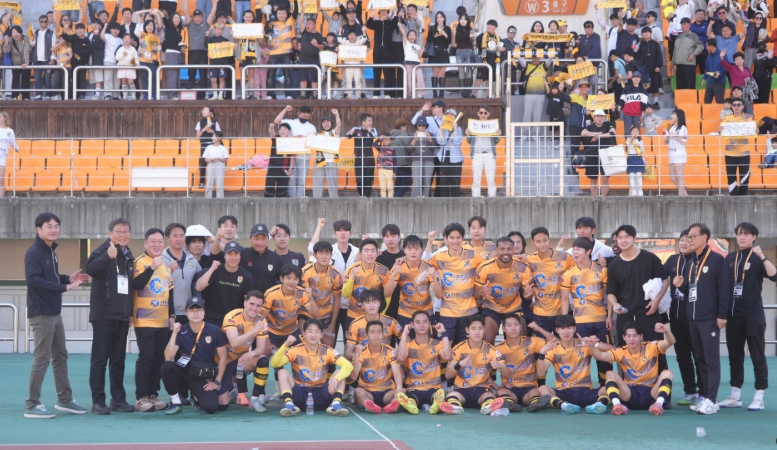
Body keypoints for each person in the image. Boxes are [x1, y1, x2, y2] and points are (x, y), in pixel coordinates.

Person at [24, 213, 89, 419]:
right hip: (41, 313)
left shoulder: (51, 251)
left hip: (54, 312)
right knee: (41, 359)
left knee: (60, 356)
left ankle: (64, 399)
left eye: (56, 226)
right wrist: (65, 286)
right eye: (49, 226)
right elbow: (34, 280)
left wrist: (68, 278)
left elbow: (50, 277)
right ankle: (32, 404)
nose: (54, 229)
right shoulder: (34, 252)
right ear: (38, 229)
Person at [720, 222, 775, 411]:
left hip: (753, 316)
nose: (742, 237)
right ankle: (735, 395)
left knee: (757, 355)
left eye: (746, 234)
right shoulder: (730, 257)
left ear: (754, 237)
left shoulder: (759, 258)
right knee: (734, 356)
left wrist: (762, 255)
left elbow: (774, 276)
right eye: (739, 234)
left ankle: (759, 396)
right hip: (733, 316)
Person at [86, 218, 136, 415]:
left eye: (126, 231)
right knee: (99, 360)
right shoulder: (101, 251)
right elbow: (92, 270)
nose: (123, 235)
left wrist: (130, 312)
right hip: (103, 315)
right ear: (109, 233)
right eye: (118, 231)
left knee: (118, 360)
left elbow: (129, 287)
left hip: (122, 316)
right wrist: (106, 256)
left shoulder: (128, 255)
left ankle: (118, 400)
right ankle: (98, 401)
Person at [680, 223, 729, 415]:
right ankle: (705, 397)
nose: (689, 240)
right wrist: (680, 285)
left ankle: (712, 399)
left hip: (709, 318)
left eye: (693, 236)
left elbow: (724, 290)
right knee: (699, 358)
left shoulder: (717, 260)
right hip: (692, 317)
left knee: (710, 359)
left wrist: (722, 315)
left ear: (705, 237)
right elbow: (690, 290)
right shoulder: (692, 262)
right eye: (688, 237)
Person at [586, 321, 675, 415]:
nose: (632, 339)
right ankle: (617, 405)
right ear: (624, 337)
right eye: (628, 336)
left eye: (635, 336)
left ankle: (658, 404)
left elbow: (671, 342)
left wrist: (666, 331)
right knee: (609, 374)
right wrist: (592, 346)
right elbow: (599, 356)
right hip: (630, 395)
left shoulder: (652, 347)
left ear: (641, 336)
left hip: (651, 394)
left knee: (667, 373)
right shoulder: (620, 352)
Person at [271, 319, 354, 417]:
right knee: (282, 372)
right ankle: (289, 405)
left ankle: (335, 404)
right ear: (304, 334)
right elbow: (274, 363)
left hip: (321, 396)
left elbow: (348, 366)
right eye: (310, 331)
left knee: (339, 373)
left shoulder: (327, 351)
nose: (313, 335)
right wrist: (285, 345)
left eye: (317, 331)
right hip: (299, 395)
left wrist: (336, 379)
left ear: (321, 335)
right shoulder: (295, 350)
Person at [161, 297, 229, 415]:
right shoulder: (181, 331)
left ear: (204, 312)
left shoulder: (214, 330)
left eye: (198, 309)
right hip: (184, 372)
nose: (195, 313)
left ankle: (197, 397)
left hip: (203, 375)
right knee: (166, 367)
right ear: (186, 313)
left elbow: (223, 358)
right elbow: (168, 357)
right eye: (192, 310)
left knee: (211, 407)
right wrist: (174, 333)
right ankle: (176, 401)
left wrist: (217, 382)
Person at [560, 237, 613, 387]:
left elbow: (609, 295)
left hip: (601, 321)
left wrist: (609, 316)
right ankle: (580, 387)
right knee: (580, 357)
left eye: (578, 249)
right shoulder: (568, 274)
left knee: (604, 357)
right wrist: (565, 322)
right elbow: (564, 300)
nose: (575, 252)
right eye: (574, 249)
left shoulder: (601, 270)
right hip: (580, 323)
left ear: (588, 251)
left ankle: (606, 387)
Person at [132, 228, 172, 413]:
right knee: (146, 358)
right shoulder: (140, 262)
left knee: (158, 359)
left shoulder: (165, 264)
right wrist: (152, 268)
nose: (157, 245)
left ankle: (152, 396)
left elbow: (168, 292)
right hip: (144, 320)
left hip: (162, 321)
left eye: (160, 241)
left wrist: (171, 316)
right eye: (153, 241)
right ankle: (141, 398)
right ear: (145, 244)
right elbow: (137, 284)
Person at [536, 315, 610, 414]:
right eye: (562, 328)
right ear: (557, 330)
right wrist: (541, 353)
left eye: (569, 328)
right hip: (564, 392)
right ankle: (563, 405)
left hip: (585, 391)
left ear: (575, 328)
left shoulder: (584, 344)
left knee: (609, 388)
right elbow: (540, 373)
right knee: (542, 389)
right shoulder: (553, 349)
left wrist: (594, 345)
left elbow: (613, 350)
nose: (566, 332)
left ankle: (599, 405)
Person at [427, 223, 486, 345]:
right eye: (452, 238)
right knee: (445, 351)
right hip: (447, 313)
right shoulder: (438, 257)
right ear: (446, 238)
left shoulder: (473, 255)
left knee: (467, 350)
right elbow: (422, 266)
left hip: (469, 314)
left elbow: (491, 265)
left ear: (463, 238)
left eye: (458, 237)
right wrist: (401, 261)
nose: (455, 241)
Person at [438, 315, 509, 415]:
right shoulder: (459, 348)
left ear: (484, 329)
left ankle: (487, 406)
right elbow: (448, 375)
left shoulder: (491, 349)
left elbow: (507, 375)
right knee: (452, 395)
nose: (477, 332)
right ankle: (455, 407)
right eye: (473, 329)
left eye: (480, 328)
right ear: (467, 330)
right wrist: (459, 364)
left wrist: (500, 366)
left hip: (482, 390)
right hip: (462, 390)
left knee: (489, 396)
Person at [665, 230, 705, 406]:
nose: (684, 243)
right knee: (682, 355)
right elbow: (655, 274)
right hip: (676, 316)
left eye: (688, 240)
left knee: (699, 355)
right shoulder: (672, 260)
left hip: (695, 317)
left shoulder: (699, 261)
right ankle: (690, 391)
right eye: (681, 240)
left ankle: (704, 392)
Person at [309, 218, 360, 350]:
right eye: (339, 230)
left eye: (346, 230)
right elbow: (311, 248)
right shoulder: (327, 251)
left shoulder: (358, 252)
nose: (342, 233)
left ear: (350, 233)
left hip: (352, 305)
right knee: (329, 343)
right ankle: (329, 370)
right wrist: (319, 227)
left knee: (350, 344)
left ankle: (351, 370)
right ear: (334, 233)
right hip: (333, 305)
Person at [475, 237, 533, 345]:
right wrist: (481, 293)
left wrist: (529, 294)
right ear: (496, 250)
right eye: (502, 249)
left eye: (509, 249)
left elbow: (528, 296)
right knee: (486, 342)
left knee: (521, 342)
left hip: (513, 308)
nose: (505, 252)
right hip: (491, 308)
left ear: (513, 250)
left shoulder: (523, 267)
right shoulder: (485, 267)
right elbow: (476, 295)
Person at [493, 314, 554, 412]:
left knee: (536, 392)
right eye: (509, 325)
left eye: (516, 325)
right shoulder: (497, 349)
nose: (513, 328)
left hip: (529, 387)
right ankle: (511, 405)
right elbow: (485, 372)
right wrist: (497, 387)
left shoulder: (532, 342)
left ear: (521, 326)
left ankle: (535, 404)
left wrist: (540, 329)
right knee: (501, 392)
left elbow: (557, 342)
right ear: (503, 329)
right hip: (510, 388)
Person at [223, 292, 270, 412]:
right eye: (251, 304)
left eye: (258, 306)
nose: (254, 308)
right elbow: (234, 343)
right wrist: (254, 330)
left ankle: (256, 398)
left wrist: (251, 353)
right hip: (223, 362)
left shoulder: (261, 321)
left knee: (263, 359)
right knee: (220, 405)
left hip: (242, 360)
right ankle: (233, 391)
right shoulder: (232, 316)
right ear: (245, 303)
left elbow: (261, 348)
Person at [395, 311, 450, 414]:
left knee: (436, 395)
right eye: (418, 322)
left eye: (425, 322)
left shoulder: (437, 343)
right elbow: (400, 358)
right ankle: (410, 405)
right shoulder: (408, 345)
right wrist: (404, 334)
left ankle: (436, 404)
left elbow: (447, 356)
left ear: (429, 324)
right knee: (412, 398)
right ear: (412, 325)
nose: (421, 325)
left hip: (434, 387)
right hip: (414, 388)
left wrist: (444, 333)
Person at [526, 227, 575, 338]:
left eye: (545, 240)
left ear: (549, 240)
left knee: (562, 348)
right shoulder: (529, 260)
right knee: (540, 349)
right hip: (540, 313)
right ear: (533, 242)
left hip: (561, 312)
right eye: (538, 241)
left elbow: (577, 275)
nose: (542, 244)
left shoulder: (565, 257)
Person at [195, 241, 255, 326]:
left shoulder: (246, 276)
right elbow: (198, 287)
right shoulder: (215, 270)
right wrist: (212, 269)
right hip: (212, 319)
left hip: (233, 320)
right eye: (230, 254)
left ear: (240, 256)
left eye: (236, 254)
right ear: (224, 256)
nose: (233, 257)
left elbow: (248, 302)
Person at [349, 321, 403, 413]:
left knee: (403, 391)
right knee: (358, 391)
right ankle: (369, 405)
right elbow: (354, 376)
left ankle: (393, 403)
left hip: (387, 392)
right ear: (367, 334)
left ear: (383, 334)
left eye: (379, 332)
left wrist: (399, 389)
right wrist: (357, 355)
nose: (376, 335)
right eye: (372, 332)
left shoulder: (390, 351)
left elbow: (397, 372)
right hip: (368, 392)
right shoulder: (361, 352)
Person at [301, 241, 344, 347]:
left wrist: (333, 324)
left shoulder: (336, 274)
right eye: (321, 253)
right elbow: (305, 297)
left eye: (327, 253)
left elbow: (337, 299)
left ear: (331, 255)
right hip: (307, 313)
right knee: (305, 346)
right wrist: (311, 287)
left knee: (329, 346)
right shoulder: (305, 272)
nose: (324, 257)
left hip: (326, 314)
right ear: (314, 255)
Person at [342, 239, 391, 326]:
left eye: (373, 250)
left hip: (374, 316)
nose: (369, 254)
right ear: (360, 253)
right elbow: (345, 294)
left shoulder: (384, 271)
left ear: (377, 253)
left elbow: (387, 295)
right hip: (354, 315)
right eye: (366, 250)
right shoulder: (351, 269)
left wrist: (382, 313)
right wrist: (352, 277)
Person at [162, 223, 202, 326]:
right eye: (175, 236)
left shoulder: (192, 260)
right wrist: (168, 271)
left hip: (189, 312)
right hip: (167, 313)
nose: (179, 239)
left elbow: (200, 283)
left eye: (181, 235)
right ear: (168, 238)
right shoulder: (161, 259)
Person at [229, 223, 283, 293]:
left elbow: (283, 282)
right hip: (246, 301)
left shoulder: (276, 259)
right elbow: (228, 251)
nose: (260, 243)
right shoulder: (242, 255)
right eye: (256, 239)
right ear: (250, 238)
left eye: (263, 239)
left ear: (268, 239)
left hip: (268, 301)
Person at [264, 2, 299, 100]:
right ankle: (270, 95)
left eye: (283, 13)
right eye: (279, 13)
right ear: (276, 14)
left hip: (286, 53)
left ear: (287, 14)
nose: (281, 15)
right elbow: (266, 30)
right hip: (273, 53)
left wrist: (295, 1)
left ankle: (288, 95)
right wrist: (267, 17)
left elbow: (296, 12)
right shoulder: (272, 23)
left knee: (287, 75)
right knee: (271, 76)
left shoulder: (289, 22)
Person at [720, 98, 754, 196]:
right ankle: (733, 197)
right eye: (734, 105)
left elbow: (751, 131)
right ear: (731, 106)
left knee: (744, 177)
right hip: (730, 153)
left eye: (739, 105)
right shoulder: (726, 118)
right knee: (731, 177)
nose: (736, 107)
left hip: (744, 152)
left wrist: (754, 131)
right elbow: (723, 132)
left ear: (743, 106)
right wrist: (720, 130)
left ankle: (743, 196)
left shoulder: (748, 117)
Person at [466, 106, 500, 198]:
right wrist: (468, 134)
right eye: (481, 113)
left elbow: (496, 141)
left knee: (491, 179)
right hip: (477, 154)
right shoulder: (473, 126)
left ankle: (492, 198)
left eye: (485, 113)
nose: (483, 114)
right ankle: (476, 198)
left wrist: (498, 135)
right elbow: (469, 141)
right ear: (478, 114)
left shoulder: (493, 125)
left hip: (489, 154)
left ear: (488, 114)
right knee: (476, 179)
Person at [517, 55, 552, 139]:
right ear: (531, 58)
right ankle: (525, 134)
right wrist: (517, 54)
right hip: (528, 94)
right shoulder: (528, 66)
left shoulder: (543, 66)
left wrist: (551, 55)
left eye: (537, 58)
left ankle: (535, 134)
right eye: (534, 58)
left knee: (537, 115)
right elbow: (521, 61)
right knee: (526, 115)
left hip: (540, 94)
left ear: (540, 58)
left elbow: (549, 61)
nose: (535, 59)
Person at [366, 9, 399, 99]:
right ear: (379, 13)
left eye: (385, 12)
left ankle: (387, 93)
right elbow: (368, 25)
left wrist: (394, 14)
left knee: (387, 72)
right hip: (377, 50)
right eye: (381, 12)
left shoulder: (390, 22)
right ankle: (376, 93)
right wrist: (372, 15)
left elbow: (395, 24)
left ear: (388, 13)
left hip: (388, 50)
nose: (383, 13)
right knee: (376, 72)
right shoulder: (377, 22)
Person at [347, 113, 379, 197]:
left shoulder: (373, 130)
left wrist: (369, 131)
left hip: (370, 159)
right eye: (369, 121)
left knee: (369, 181)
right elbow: (348, 136)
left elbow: (375, 137)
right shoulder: (356, 129)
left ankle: (367, 197)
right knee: (360, 181)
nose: (371, 122)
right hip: (359, 160)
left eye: (371, 120)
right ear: (363, 122)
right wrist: (350, 133)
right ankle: (362, 196)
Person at [182, 3, 210, 97]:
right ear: (193, 18)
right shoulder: (190, 25)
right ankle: (191, 93)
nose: (197, 18)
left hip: (203, 52)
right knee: (191, 73)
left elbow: (212, 15)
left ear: (202, 17)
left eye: (199, 16)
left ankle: (203, 93)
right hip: (192, 52)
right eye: (195, 17)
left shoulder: (206, 25)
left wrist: (214, 5)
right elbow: (185, 12)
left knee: (203, 74)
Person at [435, 108, 463, 197]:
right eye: (448, 114)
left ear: (455, 117)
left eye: (452, 115)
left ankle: (456, 200)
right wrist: (440, 129)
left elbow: (457, 142)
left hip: (456, 157)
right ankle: (444, 200)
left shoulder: (459, 129)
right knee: (444, 181)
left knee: (455, 180)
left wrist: (455, 129)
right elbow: (441, 142)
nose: (449, 116)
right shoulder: (442, 127)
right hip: (444, 156)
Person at [473, 20, 504, 99]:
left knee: (489, 79)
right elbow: (475, 44)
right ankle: (473, 94)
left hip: (493, 60)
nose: (489, 26)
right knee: (479, 77)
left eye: (491, 25)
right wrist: (473, 40)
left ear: (495, 27)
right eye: (488, 25)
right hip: (484, 60)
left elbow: (501, 48)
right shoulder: (482, 36)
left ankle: (488, 95)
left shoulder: (498, 38)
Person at [672, 18, 703, 89]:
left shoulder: (693, 35)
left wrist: (694, 54)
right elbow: (675, 50)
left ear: (689, 25)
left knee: (689, 85)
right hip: (679, 65)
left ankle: (691, 100)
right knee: (680, 86)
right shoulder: (678, 37)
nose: (683, 26)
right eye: (682, 24)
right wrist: (673, 63)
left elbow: (700, 46)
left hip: (689, 65)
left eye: (685, 24)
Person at [31, 15, 57, 101]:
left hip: (47, 59)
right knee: (37, 78)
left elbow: (54, 46)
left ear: (48, 22)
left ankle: (48, 95)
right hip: (37, 59)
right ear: (39, 22)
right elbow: (32, 44)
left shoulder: (52, 33)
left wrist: (53, 58)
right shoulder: (36, 32)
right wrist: (32, 37)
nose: (43, 23)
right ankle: (38, 95)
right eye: (41, 21)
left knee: (47, 78)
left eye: (45, 21)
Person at [195, 106, 221, 188]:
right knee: (203, 163)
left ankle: (216, 182)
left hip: (213, 145)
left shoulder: (215, 122)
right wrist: (204, 129)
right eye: (203, 110)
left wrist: (212, 131)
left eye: (206, 110)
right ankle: (202, 182)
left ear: (211, 113)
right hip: (204, 144)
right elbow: (197, 136)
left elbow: (220, 135)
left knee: (215, 162)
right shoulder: (200, 122)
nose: (203, 111)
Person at [136, 16, 162, 100]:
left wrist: (156, 48)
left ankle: (153, 94)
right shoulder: (142, 34)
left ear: (154, 27)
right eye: (148, 26)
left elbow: (160, 48)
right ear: (145, 27)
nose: (150, 27)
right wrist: (139, 23)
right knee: (144, 78)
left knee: (154, 77)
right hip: (143, 60)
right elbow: (136, 32)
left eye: (151, 26)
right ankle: (145, 94)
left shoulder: (157, 36)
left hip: (153, 60)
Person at [410, 116, 436, 198]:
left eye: (423, 125)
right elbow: (409, 149)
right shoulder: (412, 135)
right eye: (419, 125)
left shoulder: (430, 135)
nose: (421, 127)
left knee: (427, 182)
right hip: (416, 159)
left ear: (426, 126)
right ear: (416, 125)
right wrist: (415, 138)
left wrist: (430, 139)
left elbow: (433, 148)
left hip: (429, 160)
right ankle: (414, 199)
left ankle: (425, 199)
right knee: (417, 181)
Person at [265, 122, 293, 197]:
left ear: (289, 131)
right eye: (281, 129)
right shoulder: (276, 138)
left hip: (284, 169)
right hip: (273, 168)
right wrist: (271, 127)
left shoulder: (292, 142)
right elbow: (271, 133)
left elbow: (293, 156)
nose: (282, 131)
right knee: (269, 189)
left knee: (282, 191)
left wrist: (291, 168)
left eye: (285, 129)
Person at [665, 108, 689, 196]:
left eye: (673, 114)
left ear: (678, 117)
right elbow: (665, 142)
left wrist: (675, 135)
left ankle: (680, 197)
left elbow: (684, 142)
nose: (671, 116)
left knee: (679, 176)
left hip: (679, 154)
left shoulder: (683, 128)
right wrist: (667, 136)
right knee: (673, 178)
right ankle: (685, 194)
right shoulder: (671, 127)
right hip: (671, 154)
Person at [427, 12, 451, 98]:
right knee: (435, 72)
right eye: (437, 17)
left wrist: (444, 34)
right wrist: (435, 36)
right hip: (435, 52)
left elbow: (449, 42)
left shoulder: (447, 28)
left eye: (441, 17)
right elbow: (428, 40)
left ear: (444, 18)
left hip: (444, 51)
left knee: (443, 73)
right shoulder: (432, 28)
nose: (439, 19)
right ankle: (434, 94)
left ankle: (441, 94)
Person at [4, 26, 32, 101]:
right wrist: (6, 42)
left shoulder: (25, 38)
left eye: (17, 32)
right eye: (13, 32)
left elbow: (27, 50)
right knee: (15, 79)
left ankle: (25, 96)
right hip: (15, 63)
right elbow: (6, 51)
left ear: (20, 32)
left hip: (25, 62)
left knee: (25, 79)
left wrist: (26, 62)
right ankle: (15, 96)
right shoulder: (10, 39)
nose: (15, 34)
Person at [161, 12, 184, 99]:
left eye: (178, 18)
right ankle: (171, 95)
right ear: (171, 19)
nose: (177, 20)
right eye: (175, 18)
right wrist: (157, 12)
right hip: (171, 53)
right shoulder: (169, 27)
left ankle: (175, 93)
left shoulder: (178, 30)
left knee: (176, 74)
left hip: (178, 53)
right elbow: (164, 18)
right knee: (171, 74)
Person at [451, 14, 473, 98]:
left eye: (465, 19)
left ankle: (468, 91)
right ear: (459, 20)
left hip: (469, 51)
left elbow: (474, 44)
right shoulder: (456, 30)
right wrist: (461, 46)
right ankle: (462, 91)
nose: (463, 21)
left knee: (469, 72)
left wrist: (474, 40)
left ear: (467, 21)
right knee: (461, 72)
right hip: (459, 51)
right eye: (461, 19)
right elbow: (453, 44)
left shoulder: (471, 29)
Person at [202, 131, 228, 199]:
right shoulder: (208, 147)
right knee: (209, 184)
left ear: (219, 138)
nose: (213, 137)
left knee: (219, 184)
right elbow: (205, 159)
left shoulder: (223, 148)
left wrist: (218, 158)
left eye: (214, 136)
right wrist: (210, 160)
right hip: (211, 166)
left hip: (219, 167)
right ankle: (207, 199)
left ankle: (220, 199)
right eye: (213, 136)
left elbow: (225, 160)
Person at [0, 110, 18, 198]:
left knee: (1, 180)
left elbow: (13, 143)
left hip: (2, 157)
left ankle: (1, 199)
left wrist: (17, 148)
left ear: (5, 118)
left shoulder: (10, 131)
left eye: (0, 117)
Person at [701, 39, 726, 104]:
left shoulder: (722, 55)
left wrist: (720, 72)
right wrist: (704, 78)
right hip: (710, 82)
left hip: (719, 83)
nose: (706, 47)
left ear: (711, 46)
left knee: (719, 102)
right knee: (707, 101)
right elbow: (707, 68)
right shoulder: (709, 56)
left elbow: (726, 67)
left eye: (707, 46)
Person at [625, 126, 646, 196]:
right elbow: (628, 143)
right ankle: (633, 190)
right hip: (631, 157)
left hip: (638, 157)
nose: (635, 133)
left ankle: (640, 189)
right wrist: (632, 138)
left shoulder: (641, 141)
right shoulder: (628, 139)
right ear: (630, 132)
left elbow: (643, 151)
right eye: (633, 131)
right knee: (631, 175)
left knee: (639, 174)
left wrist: (639, 146)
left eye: (637, 131)